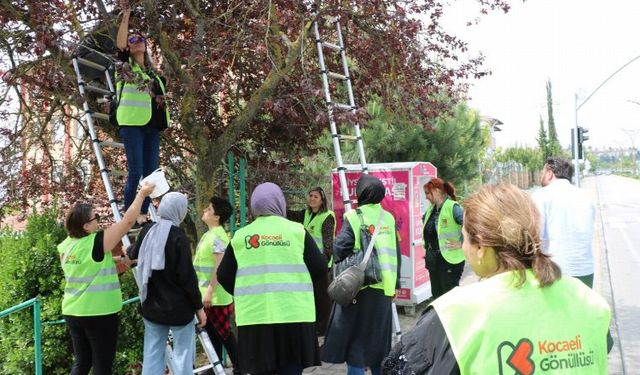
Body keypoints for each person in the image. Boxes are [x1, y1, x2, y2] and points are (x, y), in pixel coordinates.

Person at [382, 184, 611, 375]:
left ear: (480, 245)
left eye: (464, 239)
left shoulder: (455, 314)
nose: (463, 247)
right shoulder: (590, 302)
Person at [217, 182, 328, 375]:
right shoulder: (296, 231)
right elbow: (319, 268)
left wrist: (246, 292)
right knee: (292, 370)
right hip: (294, 315)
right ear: (280, 203)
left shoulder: (241, 236)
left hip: (255, 317)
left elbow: (224, 275)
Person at [58, 182, 154, 375]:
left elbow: (88, 267)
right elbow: (127, 222)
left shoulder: (66, 246)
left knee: (82, 362)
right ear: (86, 226)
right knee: (102, 364)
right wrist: (142, 194)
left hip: (73, 312)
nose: (99, 221)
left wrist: (119, 259)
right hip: (99, 313)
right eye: (96, 218)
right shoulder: (97, 241)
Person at [322, 175, 401, 375]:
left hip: (359, 288)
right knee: (379, 344)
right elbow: (396, 254)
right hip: (384, 289)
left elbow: (339, 250)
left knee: (357, 343)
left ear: (361, 194)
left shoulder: (354, 217)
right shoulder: (388, 218)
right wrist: (395, 286)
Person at [127, 192, 206, 375]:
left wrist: (128, 248)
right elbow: (187, 278)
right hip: (179, 310)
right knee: (182, 357)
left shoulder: (148, 231)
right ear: (180, 211)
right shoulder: (179, 238)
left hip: (152, 307)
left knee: (152, 355)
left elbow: (134, 254)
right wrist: (199, 307)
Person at [116, 0, 170, 226]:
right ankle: (131, 212)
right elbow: (119, 44)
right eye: (133, 40)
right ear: (129, 47)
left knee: (151, 172)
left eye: (141, 39)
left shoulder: (152, 74)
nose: (137, 42)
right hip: (131, 124)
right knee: (135, 170)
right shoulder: (125, 66)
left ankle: (143, 213)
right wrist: (126, 16)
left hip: (150, 126)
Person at [532, 157, 596, 288]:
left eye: (543, 172)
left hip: (556, 271)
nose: (541, 176)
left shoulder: (541, 195)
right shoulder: (585, 196)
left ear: (550, 173)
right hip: (585, 271)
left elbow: (535, 235)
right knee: (581, 309)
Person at [194, 196, 239, 374]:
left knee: (225, 334)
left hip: (215, 297)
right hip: (209, 295)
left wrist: (210, 291)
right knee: (215, 334)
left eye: (209, 209)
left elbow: (219, 268)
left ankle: (239, 367)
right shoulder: (209, 234)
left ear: (217, 216)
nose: (205, 210)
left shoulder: (218, 236)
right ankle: (217, 366)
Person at [287, 186, 335, 335]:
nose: (312, 199)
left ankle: (323, 331)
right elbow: (289, 215)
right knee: (310, 297)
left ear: (322, 200)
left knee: (322, 300)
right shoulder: (306, 214)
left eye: (315, 197)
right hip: (306, 263)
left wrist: (324, 260)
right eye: (310, 195)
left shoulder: (327, 216)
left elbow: (328, 241)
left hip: (321, 264)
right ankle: (312, 328)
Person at [422, 178, 464, 300]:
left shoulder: (453, 207)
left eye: (427, 193)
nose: (426, 197)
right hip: (433, 260)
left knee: (449, 297)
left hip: (450, 260)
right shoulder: (431, 210)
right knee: (437, 296)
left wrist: (461, 242)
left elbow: (471, 226)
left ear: (436, 191)